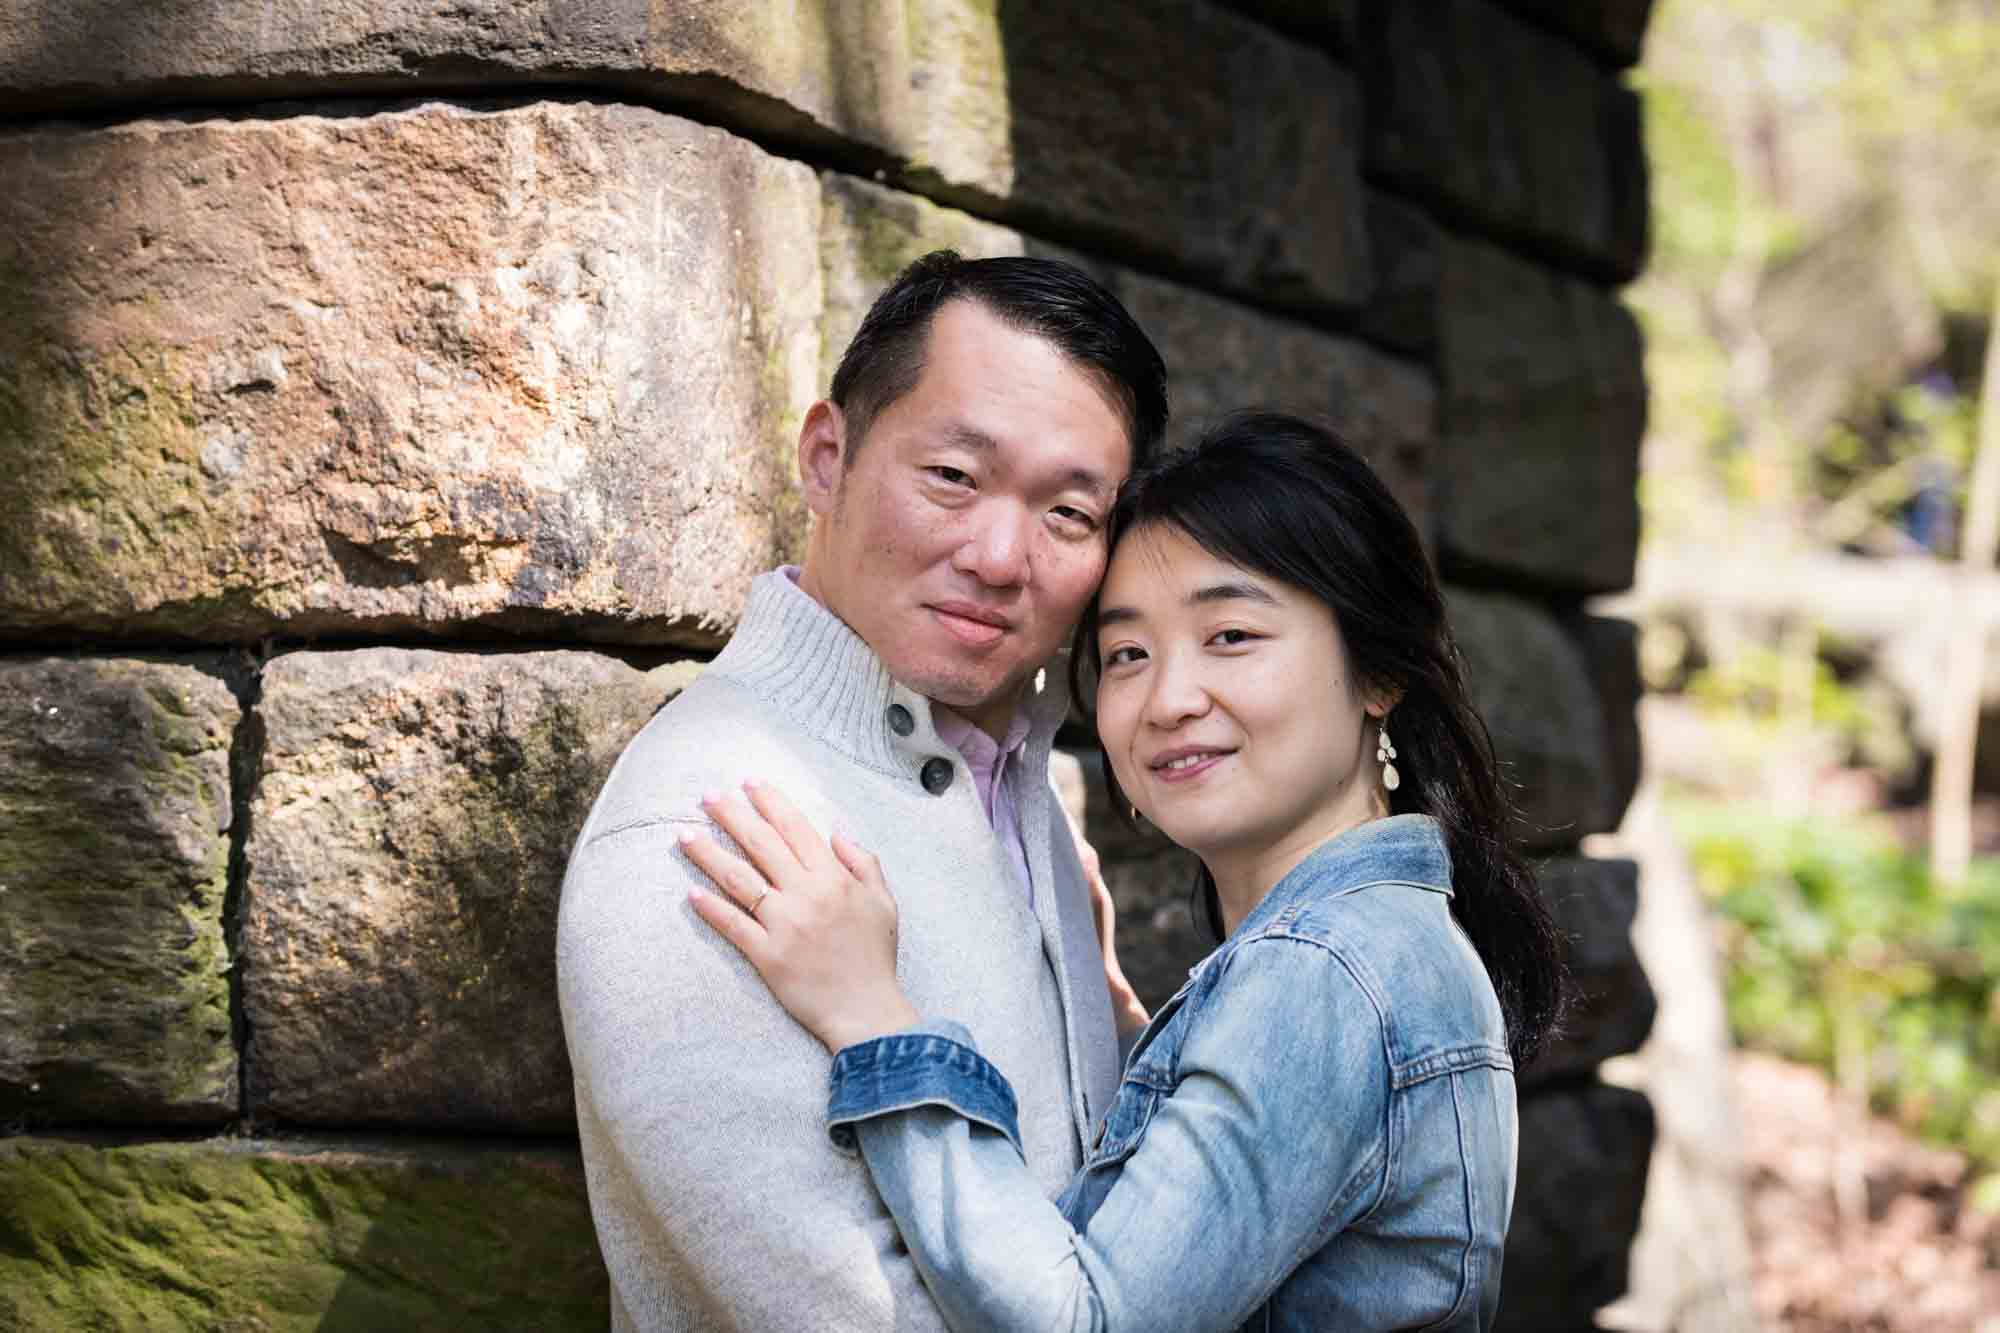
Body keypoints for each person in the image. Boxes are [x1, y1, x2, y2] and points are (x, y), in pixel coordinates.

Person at [683, 413, 1569, 1331]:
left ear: (1378, 671)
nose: (1171, 700)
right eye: (1127, 655)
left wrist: (872, 1018)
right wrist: (1128, 1029)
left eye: (1230, 635)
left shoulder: (1325, 975)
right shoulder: (1383, 943)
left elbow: (1085, 1320)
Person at [554, 250, 1168, 1331]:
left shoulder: (1012, 775)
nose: (997, 554)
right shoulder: (714, 822)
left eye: (1068, 514)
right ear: (827, 459)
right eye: (953, 477)